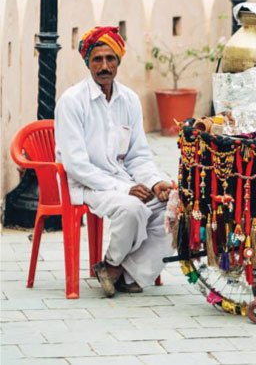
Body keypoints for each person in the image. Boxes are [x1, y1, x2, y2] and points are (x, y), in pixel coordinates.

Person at [55, 26, 174, 297]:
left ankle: (123, 272)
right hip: (86, 184)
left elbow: (138, 156)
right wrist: (125, 189)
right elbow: (76, 165)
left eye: (110, 59)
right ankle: (111, 265)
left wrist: (155, 183)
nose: (104, 66)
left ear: (118, 61)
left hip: (122, 180)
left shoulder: (129, 100)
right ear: (88, 63)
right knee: (132, 208)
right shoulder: (72, 102)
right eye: (97, 59)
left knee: (175, 209)